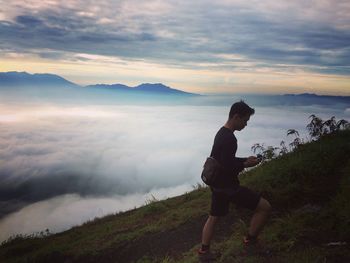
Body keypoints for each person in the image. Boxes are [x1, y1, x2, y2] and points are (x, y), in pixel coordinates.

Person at [198, 100, 271, 261]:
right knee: (264, 207)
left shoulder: (221, 132)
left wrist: (245, 159)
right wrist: (246, 163)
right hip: (228, 188)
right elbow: (228, 166)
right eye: (245, 120)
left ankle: (204, 252)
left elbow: (224, 160)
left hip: (217, 186)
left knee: (213, 217)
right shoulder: (230, 139)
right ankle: (250, 242)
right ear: (236, 117)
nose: (246, 124)